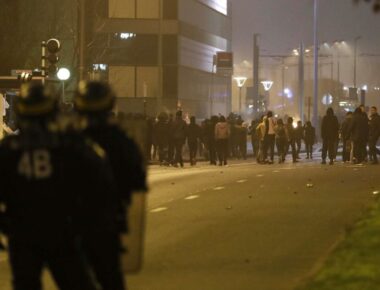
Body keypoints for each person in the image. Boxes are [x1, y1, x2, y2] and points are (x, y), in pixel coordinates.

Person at [0, 83, 114, 290]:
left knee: (25, 284)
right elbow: (101, 182)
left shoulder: (8, 150)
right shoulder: (69, 146)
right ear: (52, 112)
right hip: (62, 230)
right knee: (77, 284)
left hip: (22, 232)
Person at [74, 81, 147, 290]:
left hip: (74, 220)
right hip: (107, 218)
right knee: (110, 276)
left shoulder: (69, 140)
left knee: (76, 277)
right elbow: (137, 178)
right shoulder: (121, 141)